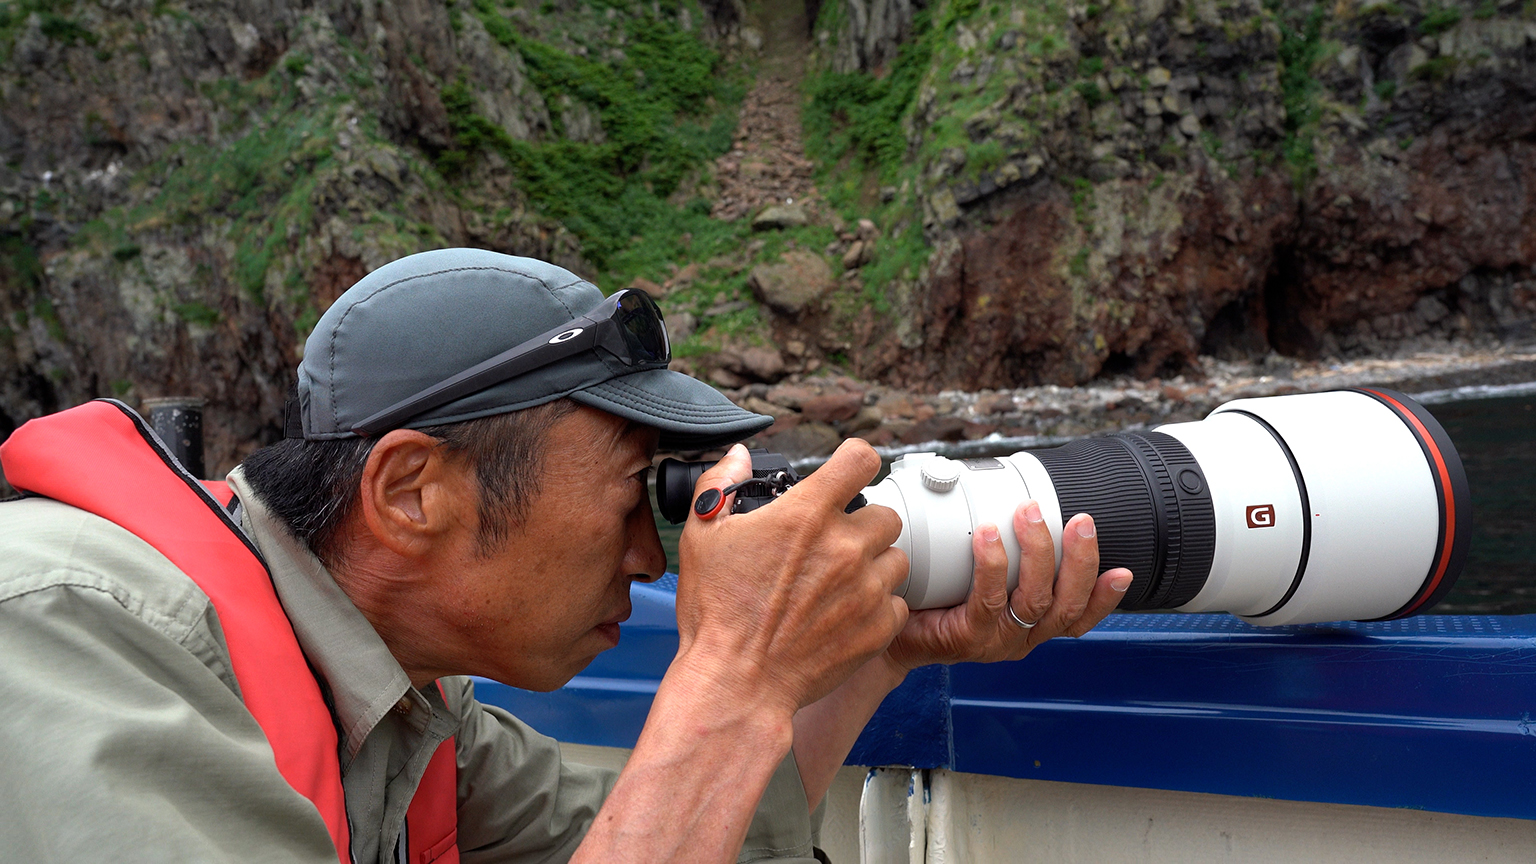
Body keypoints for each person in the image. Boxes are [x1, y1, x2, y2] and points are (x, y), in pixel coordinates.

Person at [0, 248, 1132, 863]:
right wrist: (730, 675)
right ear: (411, 492)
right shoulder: (67, 634)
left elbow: (690, 840)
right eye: (636, 493)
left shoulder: (401, 716)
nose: (658, 552)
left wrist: (874, 645)